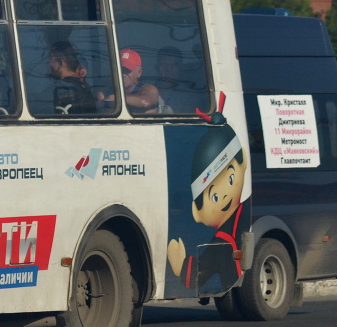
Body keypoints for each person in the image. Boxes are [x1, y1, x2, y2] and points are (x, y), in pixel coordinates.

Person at [167, 123, 247, 293]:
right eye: (215, 197)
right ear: (198, 213)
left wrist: (180, 265)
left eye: (230, 178)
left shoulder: (220, 239)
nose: (225, 194)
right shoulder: (243, 214)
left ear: (244, 162)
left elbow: (199, 275)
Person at [98, 48, 161, 114]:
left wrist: (118, 98)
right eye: (120, 69)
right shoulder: (107, 88)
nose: (123, 74)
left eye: (127, 70)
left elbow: (147, 101)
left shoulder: (149, 89)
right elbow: (99, 106)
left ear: (139, 72)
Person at [49, 41, 96, 115]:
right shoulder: (86, 90)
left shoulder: (60, 88)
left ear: (59, 63)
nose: (49, 64)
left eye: (51, 60)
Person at [154, 46, 197, 113]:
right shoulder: (147, 92)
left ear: (180, 68)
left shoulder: (189, 96)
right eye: (164, 64)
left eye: (174, 65)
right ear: (157, 68)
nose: (168, 69)